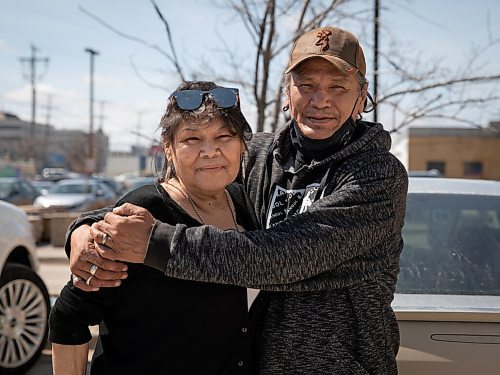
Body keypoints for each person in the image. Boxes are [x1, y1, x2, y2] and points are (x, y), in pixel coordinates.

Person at [68, 26, 408, 374]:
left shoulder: (376, 176)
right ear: (287, 93)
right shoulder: (256, 155)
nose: (320, 100)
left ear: (361, 95)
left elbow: (281, 257)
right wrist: (86, 229)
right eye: (307, 86)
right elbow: (175, 195)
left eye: (338, 87)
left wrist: (154, 242)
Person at [49, 81, 259, 374]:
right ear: (169, 149)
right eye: (192, 139)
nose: (210, 151)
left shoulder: (247, 204)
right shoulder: (142, 214)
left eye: (224, 136)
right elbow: (68, 316)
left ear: (242, 146)